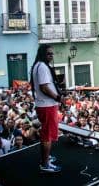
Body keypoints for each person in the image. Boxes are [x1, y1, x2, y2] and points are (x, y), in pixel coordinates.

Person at [30, 44, 62, 173]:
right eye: (49, 54)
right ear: (43, 54)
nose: (51, 56)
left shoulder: (37, 65)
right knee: (47, 136)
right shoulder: (42, 67)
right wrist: (57, 97)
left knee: (45, 134)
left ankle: (46, 158)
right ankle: (45, 164)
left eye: (52, 54)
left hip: (43, 105)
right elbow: (44, 87)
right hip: (47, 105)